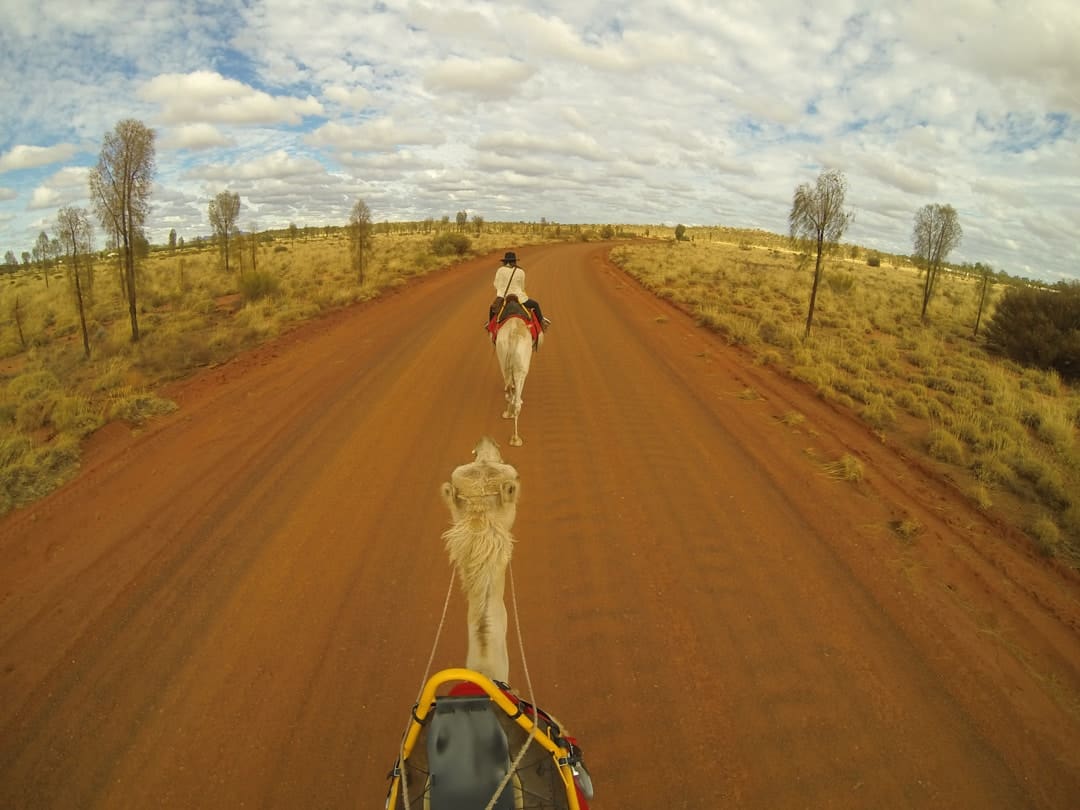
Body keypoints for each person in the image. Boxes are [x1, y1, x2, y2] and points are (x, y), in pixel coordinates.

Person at [488, 251, 551, 330]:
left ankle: (490, 326)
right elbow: (522, 287)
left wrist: (502, 290)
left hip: (503, 298)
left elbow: (496, 285)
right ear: (514, 261)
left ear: (505, 262)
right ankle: (542, 322)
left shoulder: (500, 270)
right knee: (535, 304)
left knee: (492, 309)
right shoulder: (521, 271)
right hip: (520, 298)